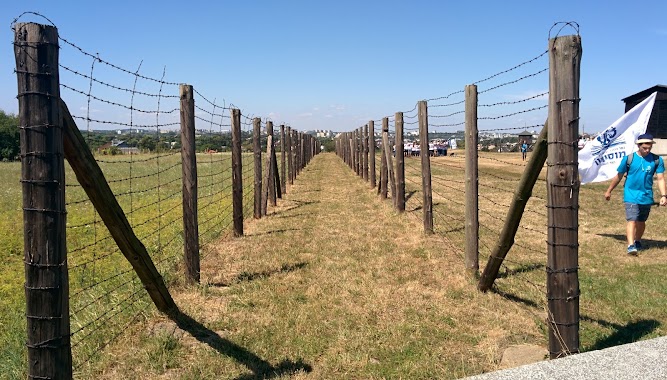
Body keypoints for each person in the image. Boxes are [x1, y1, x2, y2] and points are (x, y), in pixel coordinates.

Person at [604, 133, 667, 255]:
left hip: (646, 195)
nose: (647, 150)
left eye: (649, 148)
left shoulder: (657, 160)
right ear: (638, 146)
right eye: (644, 148)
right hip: (630, 194)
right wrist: (609, 190)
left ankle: (638, 241)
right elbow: (618, 176)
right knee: (632, 219)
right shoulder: (629, 159)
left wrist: (664, 195)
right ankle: (631, 245)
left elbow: (660, 179)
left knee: (641, 221)